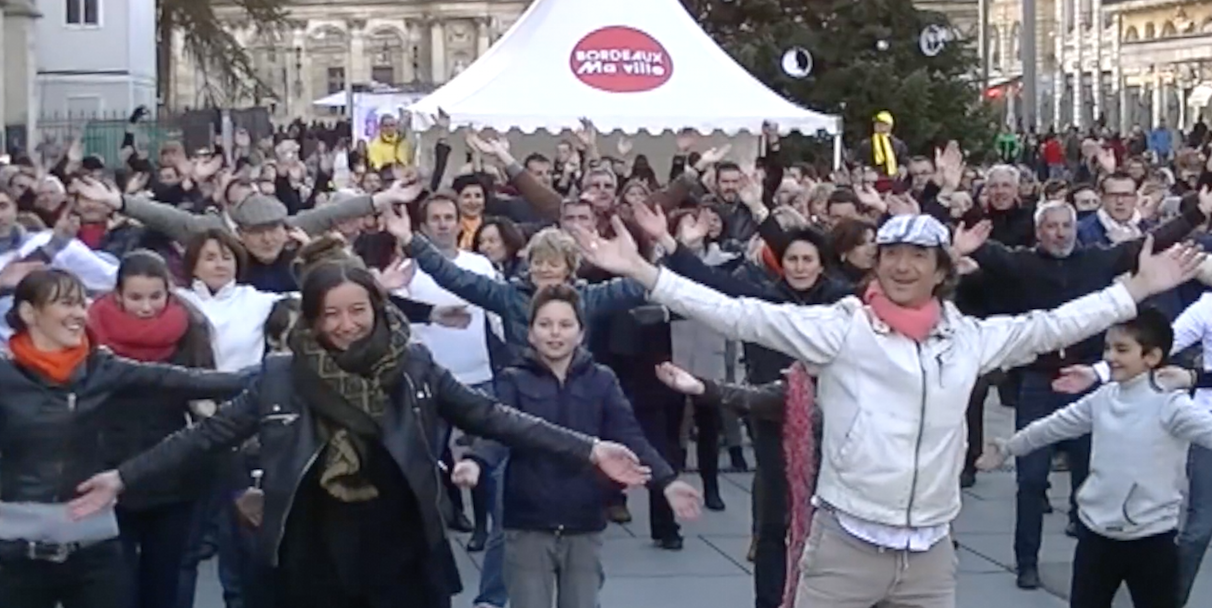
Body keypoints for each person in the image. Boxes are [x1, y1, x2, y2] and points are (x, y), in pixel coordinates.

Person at [568, 211, 1203, 608]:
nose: (902, 266)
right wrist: (647, 275)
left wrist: (1138, 289)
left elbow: (1054, 323)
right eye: (891, 255)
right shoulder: (843, 328)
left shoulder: (971, 339)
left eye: (917, 257)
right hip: (846, 546)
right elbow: (743, 315)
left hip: (930, 556)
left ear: (940, 272)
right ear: (876, 264)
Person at [71, 256, 657, 608]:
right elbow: (206, 435)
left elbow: (494, 418)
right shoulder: (283, 375)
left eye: (358, 310)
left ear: (377, 309)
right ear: (313, 319)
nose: (346, 325)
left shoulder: (415, 367)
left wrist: (589, 448)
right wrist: (123, 478)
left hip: (399, 545)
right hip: (310, 550)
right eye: (331, 313)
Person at [0, 268, 249, 608]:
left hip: (93, 546)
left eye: (81, 303)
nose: (78, 314)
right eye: (65, 304)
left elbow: (192, 381)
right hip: (14, 551)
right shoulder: (5, 375)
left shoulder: (102, 368)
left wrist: (278, 370)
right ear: (29, 313)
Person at [452, 285, 702, 608]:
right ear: (530, 333)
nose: (555, 333)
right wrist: (475, 460)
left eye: (565, 325)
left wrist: (665, 481)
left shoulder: (601, 381)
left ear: (581, 333)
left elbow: (630, 437)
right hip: (528, 521)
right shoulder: (513, 380)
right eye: (545, 324)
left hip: (583, 519)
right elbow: (498, 432)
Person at [977, 307, 1212, 608]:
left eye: (1122, 349)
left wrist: (1194, 379)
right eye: (1107, 348)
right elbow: (1053, 426)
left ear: (1151, 357)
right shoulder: (1103, 398)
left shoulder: (1172, 406)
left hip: (1152, 540)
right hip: (1096, 538)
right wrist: (1009, 447)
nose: (1111, 356)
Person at [87, 251, 220, 608]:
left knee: (167, 579)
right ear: (118, 295)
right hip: (106, 467)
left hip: (172, 469)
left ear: (169, 292)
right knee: (116, 583)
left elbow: (206, 391)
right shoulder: (88, 332)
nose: (146, 307)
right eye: (136, 298)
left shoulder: (189, 328)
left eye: (155, 297)